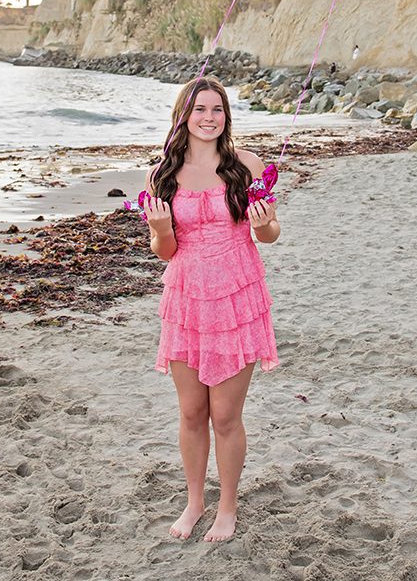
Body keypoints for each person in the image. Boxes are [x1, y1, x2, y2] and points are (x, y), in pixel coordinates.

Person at [143, 75, 280, 543]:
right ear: (183, 115)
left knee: (224, 416)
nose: (209, 117)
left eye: (217, 109)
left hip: (237, 297)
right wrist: (161, 229)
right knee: (190, 412)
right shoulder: (162, 174)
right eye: (199, 109)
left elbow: (270, 235)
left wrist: (264, 224)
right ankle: (195, 502)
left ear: (227, 115)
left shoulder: (247, 165)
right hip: (186, 299)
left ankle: (227, 507)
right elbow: (165, 251)